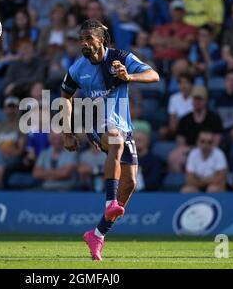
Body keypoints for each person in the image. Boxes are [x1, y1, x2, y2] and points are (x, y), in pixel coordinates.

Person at [61, 19, 159, 260]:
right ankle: (109, 204)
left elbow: (154, 75)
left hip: (123, 125)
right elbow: (66, 96)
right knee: (114, 139)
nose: (84, 44)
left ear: (101, 40)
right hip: (95, 123)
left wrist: (129, 77)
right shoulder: (77, 69)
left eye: (89, 39)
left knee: (131, 182)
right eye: (81, 40)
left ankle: (97, 234)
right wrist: (67, 130)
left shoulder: (120, 58)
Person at [168, 86, 223, 173]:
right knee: (173, 157)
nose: (197, 102)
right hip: (189, 153)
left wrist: (200, 149)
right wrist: (193, 151)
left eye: (200, 99)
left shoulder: (215, 119)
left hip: (209, 151)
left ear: (205, 100)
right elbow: (180, 145)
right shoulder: (184, 120)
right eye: (194, 99)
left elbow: (216, 143)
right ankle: (182, 181)